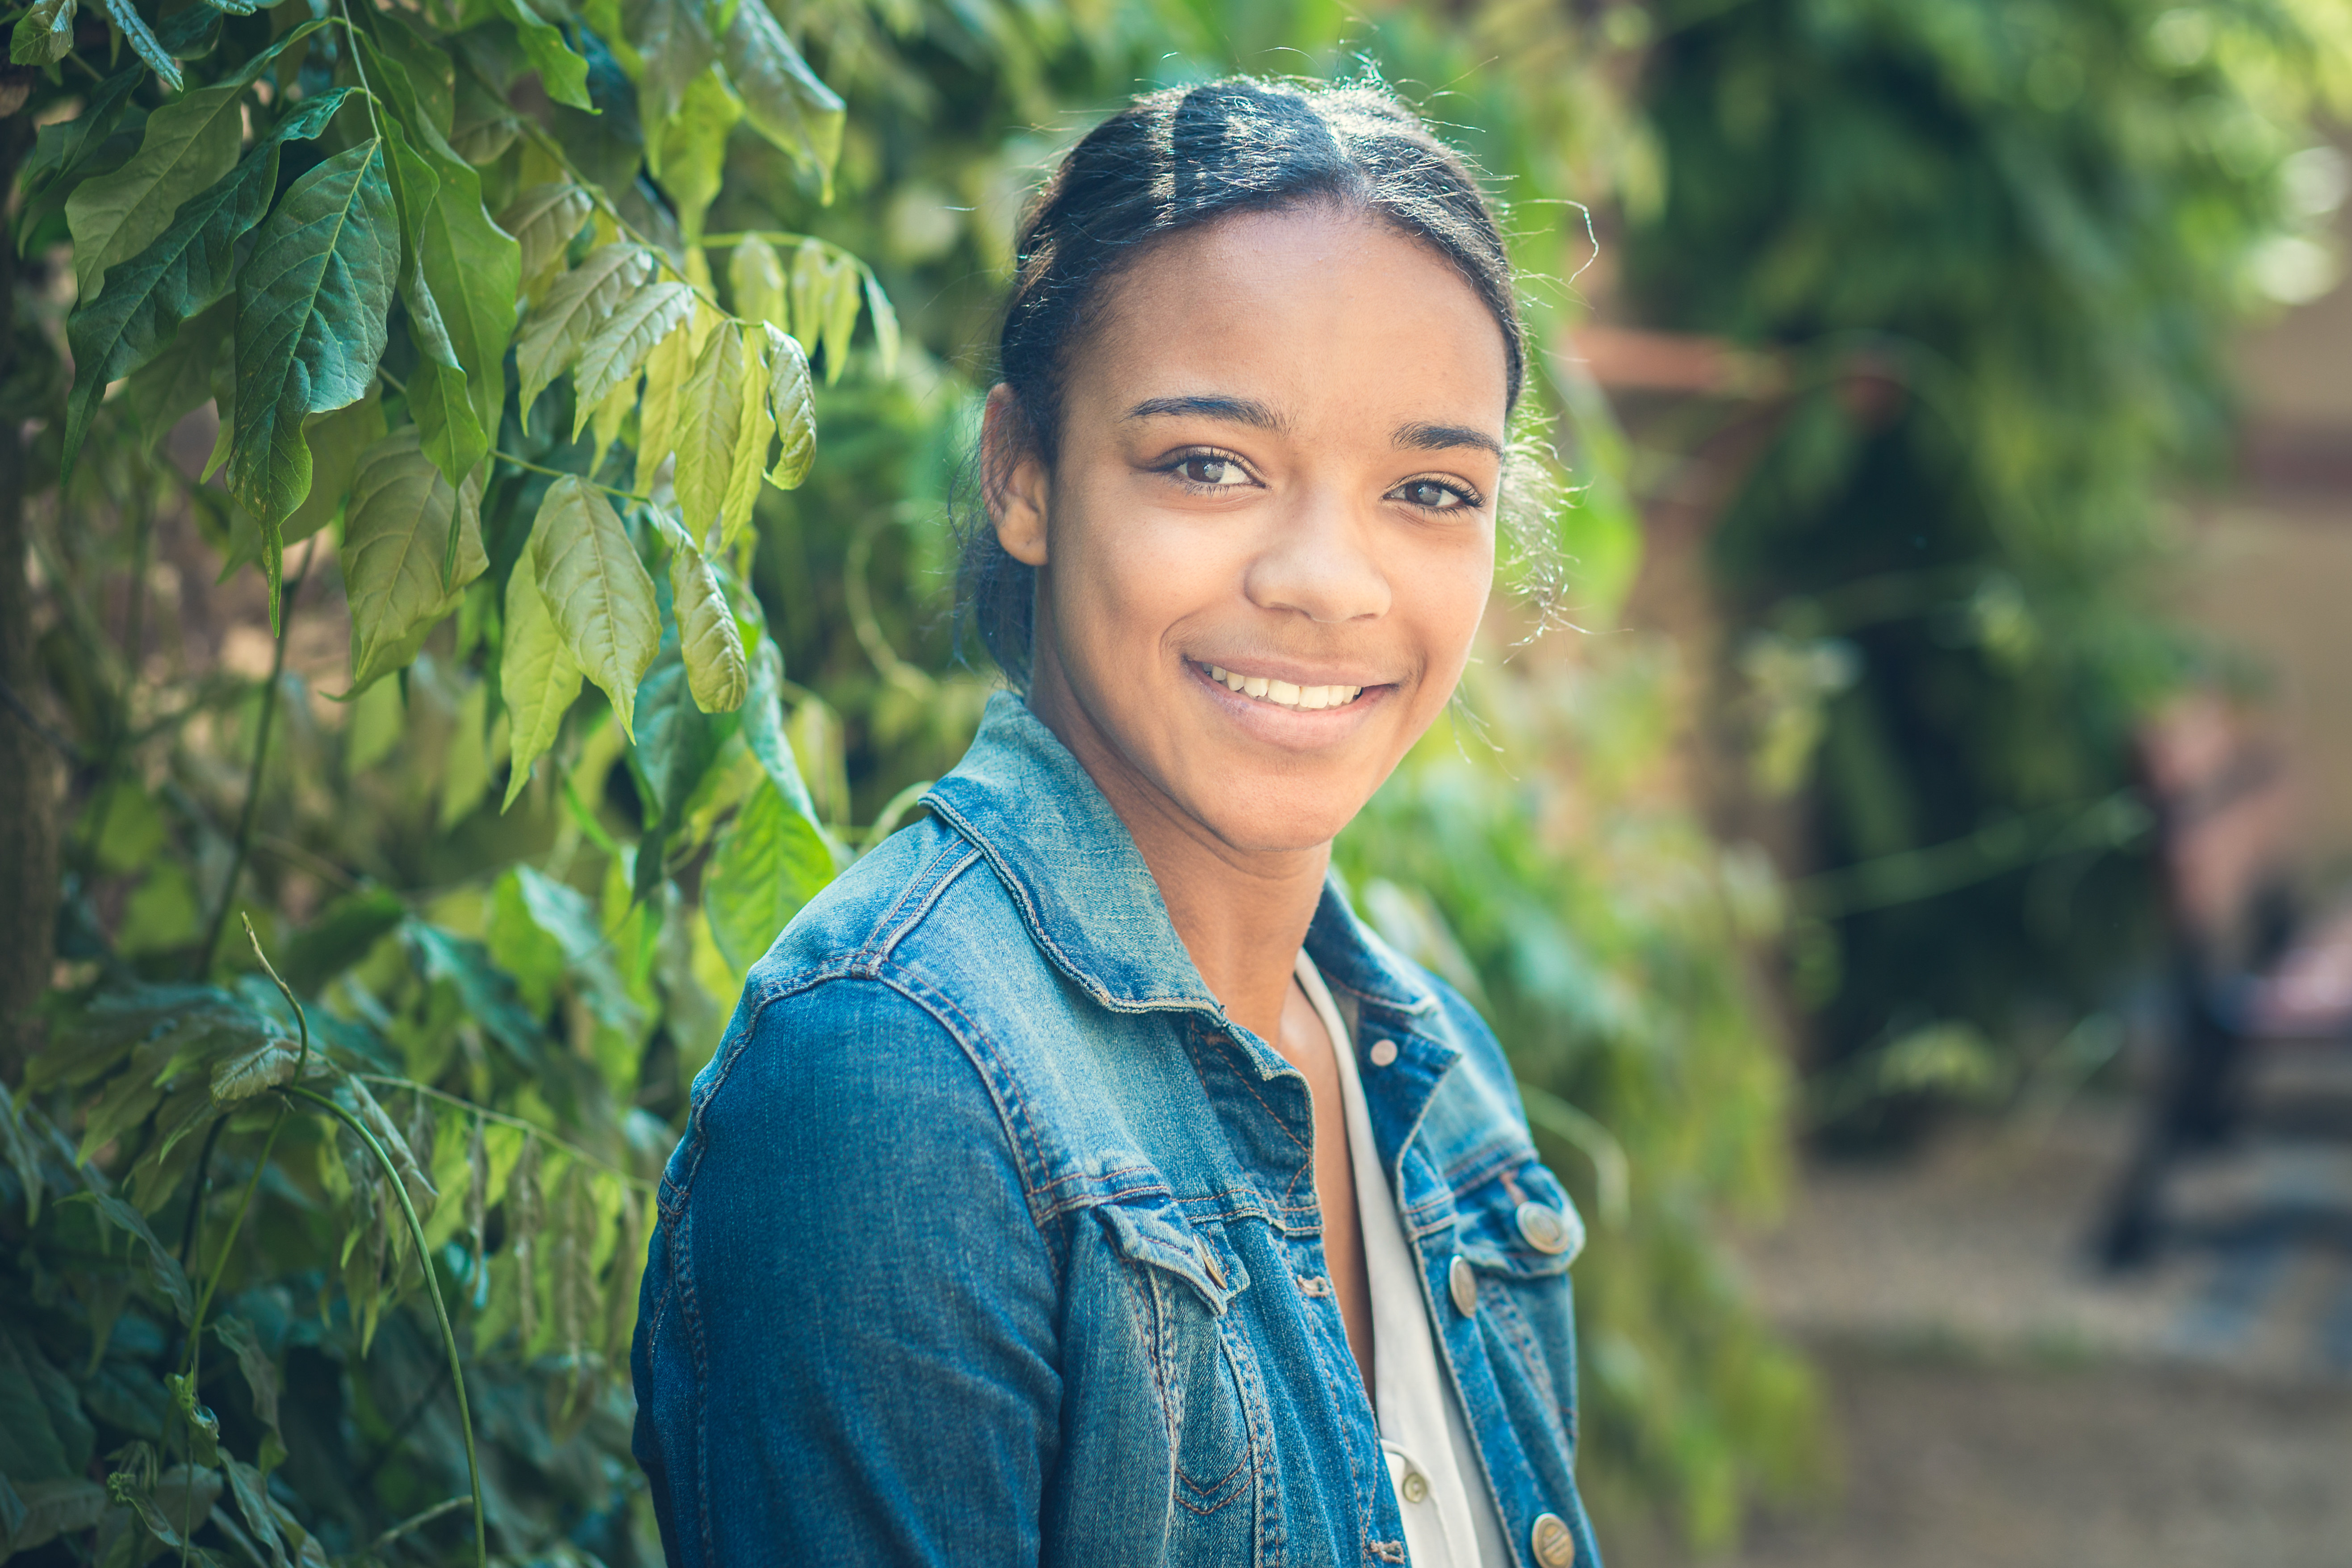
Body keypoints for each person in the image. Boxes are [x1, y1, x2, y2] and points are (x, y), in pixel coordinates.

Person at [631, 75, 1599, 1568]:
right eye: (1208, 464)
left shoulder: (1433, 1078)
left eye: (1426, 487)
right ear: (1022, 472)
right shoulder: (896, 1086)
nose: (1326, 581)